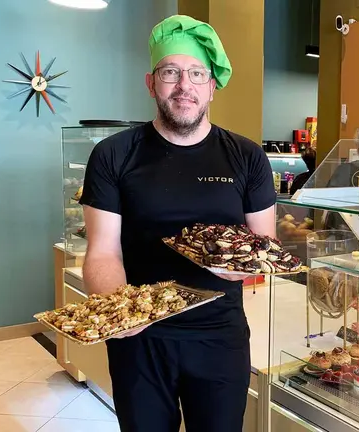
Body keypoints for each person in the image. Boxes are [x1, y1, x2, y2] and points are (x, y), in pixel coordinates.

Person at [78, 15, 276, 432]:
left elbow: (264, 244)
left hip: (219, 337)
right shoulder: (113, 155)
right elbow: (102, 252)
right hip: (140, 339)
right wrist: (122, 312)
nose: (184, 85)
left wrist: (245, 266)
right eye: (170, 72)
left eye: (196, 73)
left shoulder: (247, 157)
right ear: (151, 83)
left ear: (212, 85)